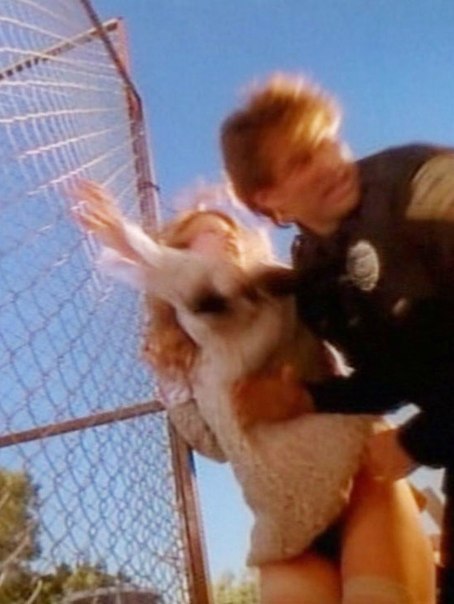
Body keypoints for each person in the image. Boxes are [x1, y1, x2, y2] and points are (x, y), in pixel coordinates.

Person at [70, 180, 435, 604]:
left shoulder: (269, 290)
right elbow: (218, 446)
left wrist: (138, 248)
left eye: (231, 230)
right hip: (287, 525)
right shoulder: (196, 362)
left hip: (360, 477)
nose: (227, 234)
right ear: (180, 251)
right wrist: (177, 392)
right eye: (210, 231)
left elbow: (218, 291)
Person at [220, 72, 454, 603]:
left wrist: (420, 440)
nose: (331, 162)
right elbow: (394, 376)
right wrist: (308, 399)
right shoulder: (316, 277)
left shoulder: (416, 182)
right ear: (271, 200)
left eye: (329, 142)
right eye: (303, 160)